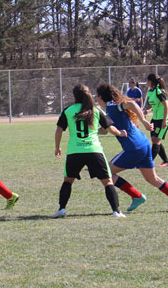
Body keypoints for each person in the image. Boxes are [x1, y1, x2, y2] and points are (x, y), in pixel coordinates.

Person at [53, 84, 128, 218]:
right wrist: (121, 133)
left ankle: (61, 209)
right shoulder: (96, 110)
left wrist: (57, 147)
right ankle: (116, 211)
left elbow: (59, 130)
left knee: (68, 181)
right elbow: (110, 129)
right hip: (94, 150)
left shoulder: (68, 110)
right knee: (108, 182)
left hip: (74, 151)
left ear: (74, 96)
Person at [95, 84, 168, 211]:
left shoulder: (112, 107)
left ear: (100, 97)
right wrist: (92, 131)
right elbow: (106, 130)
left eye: (96, 96)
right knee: (153, 179)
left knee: (106, 172)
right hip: (143, 144)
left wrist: (145, 122)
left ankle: (136, 196)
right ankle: (137, 197)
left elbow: (132, 104)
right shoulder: (110, 110)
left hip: (134, 148)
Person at [145, 74, 168, 167]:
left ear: (151, 81)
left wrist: (164, 120)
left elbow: (166, 106)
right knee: (155, 140)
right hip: (154, 119)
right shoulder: (150, 92)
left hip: (162, 120)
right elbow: (153, 105)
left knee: (156, 140)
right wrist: (148, 110)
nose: (146, 82)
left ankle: (148, 162)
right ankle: (166, 160)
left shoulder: (159, 92)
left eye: (147, 80)